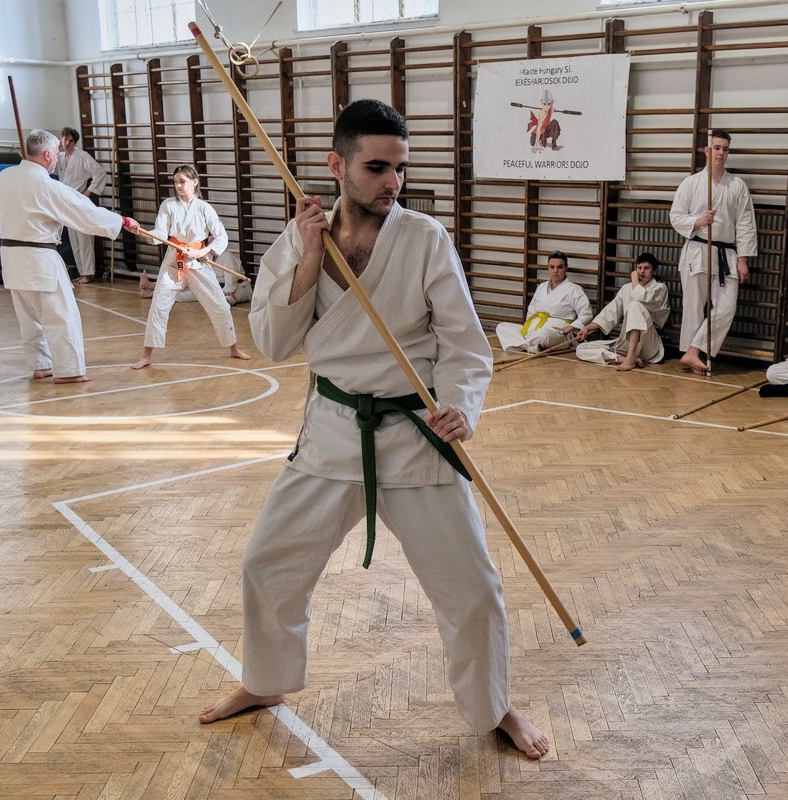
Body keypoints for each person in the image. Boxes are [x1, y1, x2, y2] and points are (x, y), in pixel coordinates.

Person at [196, 100, 549, 760]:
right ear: (338, 165)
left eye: (401, 169)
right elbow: (272, 342)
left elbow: (466, 345)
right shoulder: (298, 241)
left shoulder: (424, 240)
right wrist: (306, 257)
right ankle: (266, 682)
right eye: (377, 167)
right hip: (332, 431)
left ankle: (493, 705)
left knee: (472, 588)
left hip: (416, 435)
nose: (394, 183)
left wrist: (461, 406)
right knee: (267, 564)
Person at [0, 128, 138, 384]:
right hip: (39, 257)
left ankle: (41, 365)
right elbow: (85, 213)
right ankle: (68, 370)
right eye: (55, 153)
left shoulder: (4, 177)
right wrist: (121, 220)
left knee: (29, 317)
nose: (57, 158)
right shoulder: (48, 186)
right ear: (46, 154)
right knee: (61, 315)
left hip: (11, 258)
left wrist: (19, 212)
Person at [131, 166, 249, 369]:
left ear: (195, 182)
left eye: (182, 181)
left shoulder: (204, 208)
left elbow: (221, 237)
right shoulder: (168, 205)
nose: (178, 185)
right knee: (159, 305)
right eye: (176, 181)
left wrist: (199, 253)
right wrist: (143, 233)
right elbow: (160, 234)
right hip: (173, 262)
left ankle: (233, 348)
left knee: (219, 305)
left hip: (198, 262)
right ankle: (146, 355)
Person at [670, 129, 757, 376]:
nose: (721, 152)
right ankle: (692, 354)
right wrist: (698, 221)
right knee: (694, 306)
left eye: (725, 149)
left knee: (726, 308)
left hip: (727, 253)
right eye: (716, 148)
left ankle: (693, 350)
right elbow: (675, 217)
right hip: (697, 249)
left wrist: (743, 259)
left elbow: (745, 224)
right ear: (707, 151)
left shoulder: (737, 185)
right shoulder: (691, 183)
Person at [574, 252, 670, 372]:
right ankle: (622, 358)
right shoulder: (626, 288)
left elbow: (638, 297)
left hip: (648, 343)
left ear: (654, 271)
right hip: (626, 341)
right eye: (639, 268)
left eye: (646, 268)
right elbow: (610, 312)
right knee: (581, 349)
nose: (642, 271)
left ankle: (630, 358)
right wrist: (588, 328)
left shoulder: (659, 288)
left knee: (635, 305)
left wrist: (634, 279)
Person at [494, 251, 592, 354]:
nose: (555, 271)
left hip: (557, 331)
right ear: (548, 269)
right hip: (534, 329)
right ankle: (529, 346)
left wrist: (571, 327)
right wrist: (529, 327)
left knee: (544, 335)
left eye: (560, 267)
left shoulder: (574, 289)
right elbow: (531, 311)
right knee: (502, 327)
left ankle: (522, 344)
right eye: (552, 267)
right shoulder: (541, 286)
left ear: (565, 269)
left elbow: (587, 313)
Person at [55, 126, 109, 284]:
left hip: (80, 199)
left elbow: (99, 173)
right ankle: (82, 272)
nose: (67, 143)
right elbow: (54, 170)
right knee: (74, 239)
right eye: (64, 139)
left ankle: (89, 272)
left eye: (70, 140)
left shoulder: (82, 156)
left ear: (75, 142)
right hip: (67, 200)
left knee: (84, 238)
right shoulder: (60, 157)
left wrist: (89, 191)